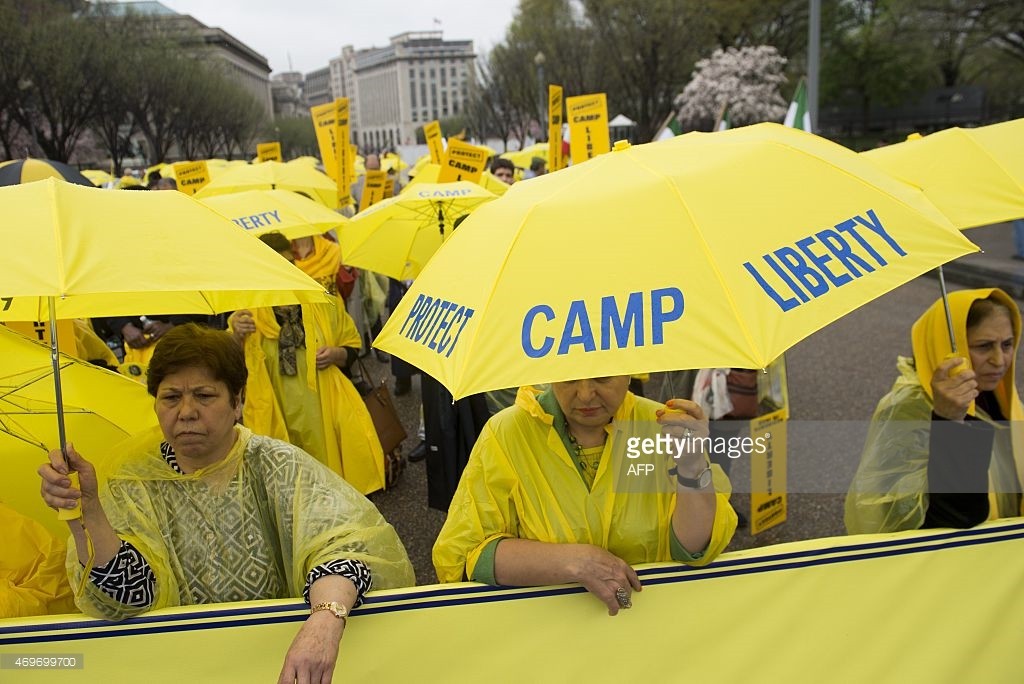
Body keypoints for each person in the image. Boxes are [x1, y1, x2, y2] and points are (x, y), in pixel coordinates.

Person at [38, 324, 414, 682]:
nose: (186, 411)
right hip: (180, 667)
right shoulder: (132, 482)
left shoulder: (276, 465)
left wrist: (324, 621)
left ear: (238, 402)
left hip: (280, 659)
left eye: (204, 395)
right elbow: (131, 599)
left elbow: (346, 547)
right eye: (170, 397)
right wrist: (86, 513)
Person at [433, 377, 738, 614]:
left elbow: (693, 548)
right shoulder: (507, 434)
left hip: (652, 634)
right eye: (568, 378)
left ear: (630, 371)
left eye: (603, 378)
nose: (585, 395)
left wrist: (692, 465)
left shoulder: (662, 428)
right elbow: (467, 555)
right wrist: (573, 561)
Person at [845, 288, 1022, 534]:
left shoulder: (999, 396)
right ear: (947, 347)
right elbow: (936, 521)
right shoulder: (908, 409)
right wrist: (949, 423)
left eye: (1007, 344)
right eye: (983, 346)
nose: (999, 360)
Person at [230, 233, 388, 495]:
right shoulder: (247, 312)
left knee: (330, 484)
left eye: (289, 263)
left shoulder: (320, 299)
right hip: (276, 411)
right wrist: (236, 335)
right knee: (288, 487)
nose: (285, 270)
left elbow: (352, 348)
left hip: (323, 409)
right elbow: (231, 366)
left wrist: (336, 353)